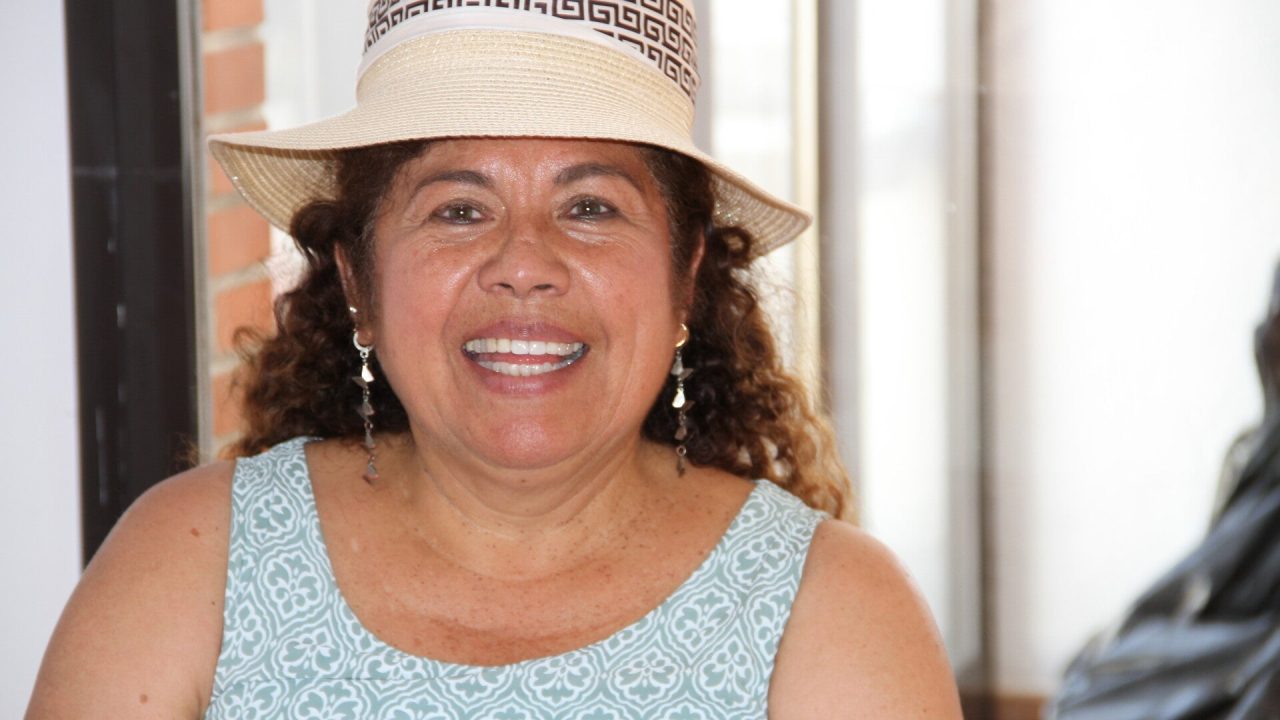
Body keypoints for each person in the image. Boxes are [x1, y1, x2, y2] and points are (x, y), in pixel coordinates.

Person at [28, 2, 962, 717]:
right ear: (358, 280)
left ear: (686, 279)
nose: (523, 263)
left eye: (590, 207)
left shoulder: (834, 612)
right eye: (460, 209)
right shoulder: (189, 563)